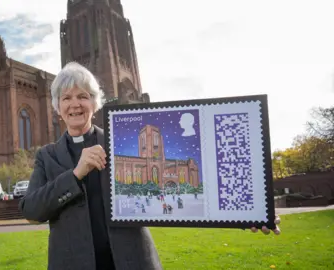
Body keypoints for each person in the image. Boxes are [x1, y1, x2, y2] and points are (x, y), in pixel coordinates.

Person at [18, 62, 281, 270]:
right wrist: (76, 174)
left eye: (83, 96)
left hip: (132, 262)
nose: (75, 104)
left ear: (94, 103)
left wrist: (250, 213)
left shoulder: (118, 140)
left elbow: (188, 189)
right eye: (66, 98)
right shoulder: (47, 156)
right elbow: (31, 210)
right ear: (57, 107)